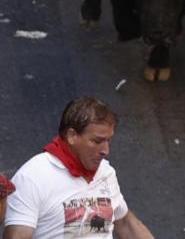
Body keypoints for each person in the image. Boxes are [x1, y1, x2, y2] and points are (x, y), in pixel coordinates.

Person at [3, 97, 153, 239]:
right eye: (97, 141)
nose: (105, 150)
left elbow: (125, 224)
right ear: (72, 136)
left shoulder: (105, 172)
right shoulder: (32, 177)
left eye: (108, 141)